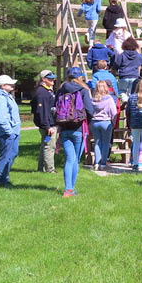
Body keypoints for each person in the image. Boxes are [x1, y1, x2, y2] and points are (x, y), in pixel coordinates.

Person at [55, 67, 94, 197]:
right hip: (79, 129)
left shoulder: (61, 90)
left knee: (69, 159)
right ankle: (70, 190)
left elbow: (55, 108)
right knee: (75, 160)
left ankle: (69, 189)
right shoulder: (83, 90)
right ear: (80, 77)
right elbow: (90, 110)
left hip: (64, 128)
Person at [0, 74, 21, 188]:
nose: (13, 85)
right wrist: (10, 132)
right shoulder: (0, 98)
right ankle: (1, 180)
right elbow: (2, 118)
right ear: (3, 86)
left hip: (11, 131)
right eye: (10, 83)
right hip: (5, 133)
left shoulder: (6, 95)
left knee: (13, 154)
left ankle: (4, 178)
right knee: (5, 155)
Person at [31, 70, 57, 173]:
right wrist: (47, 126)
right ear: (43, 79)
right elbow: (41, 111)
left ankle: (41, 168)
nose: (53, 80)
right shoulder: (42, 92)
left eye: (53, 78)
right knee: (49, 147)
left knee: (45, 145)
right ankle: (50, 169)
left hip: (48, 124)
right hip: (48, 125)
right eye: (50, 78)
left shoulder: (48, 90)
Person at [90, 80, 118, 172]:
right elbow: (114, 112)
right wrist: (113, 123)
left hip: (95, 122)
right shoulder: (109, 98)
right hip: (106, 122)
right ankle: (103, 164)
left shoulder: (92, 99)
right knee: (106, 143)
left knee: (97, 143)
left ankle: (96, 163)